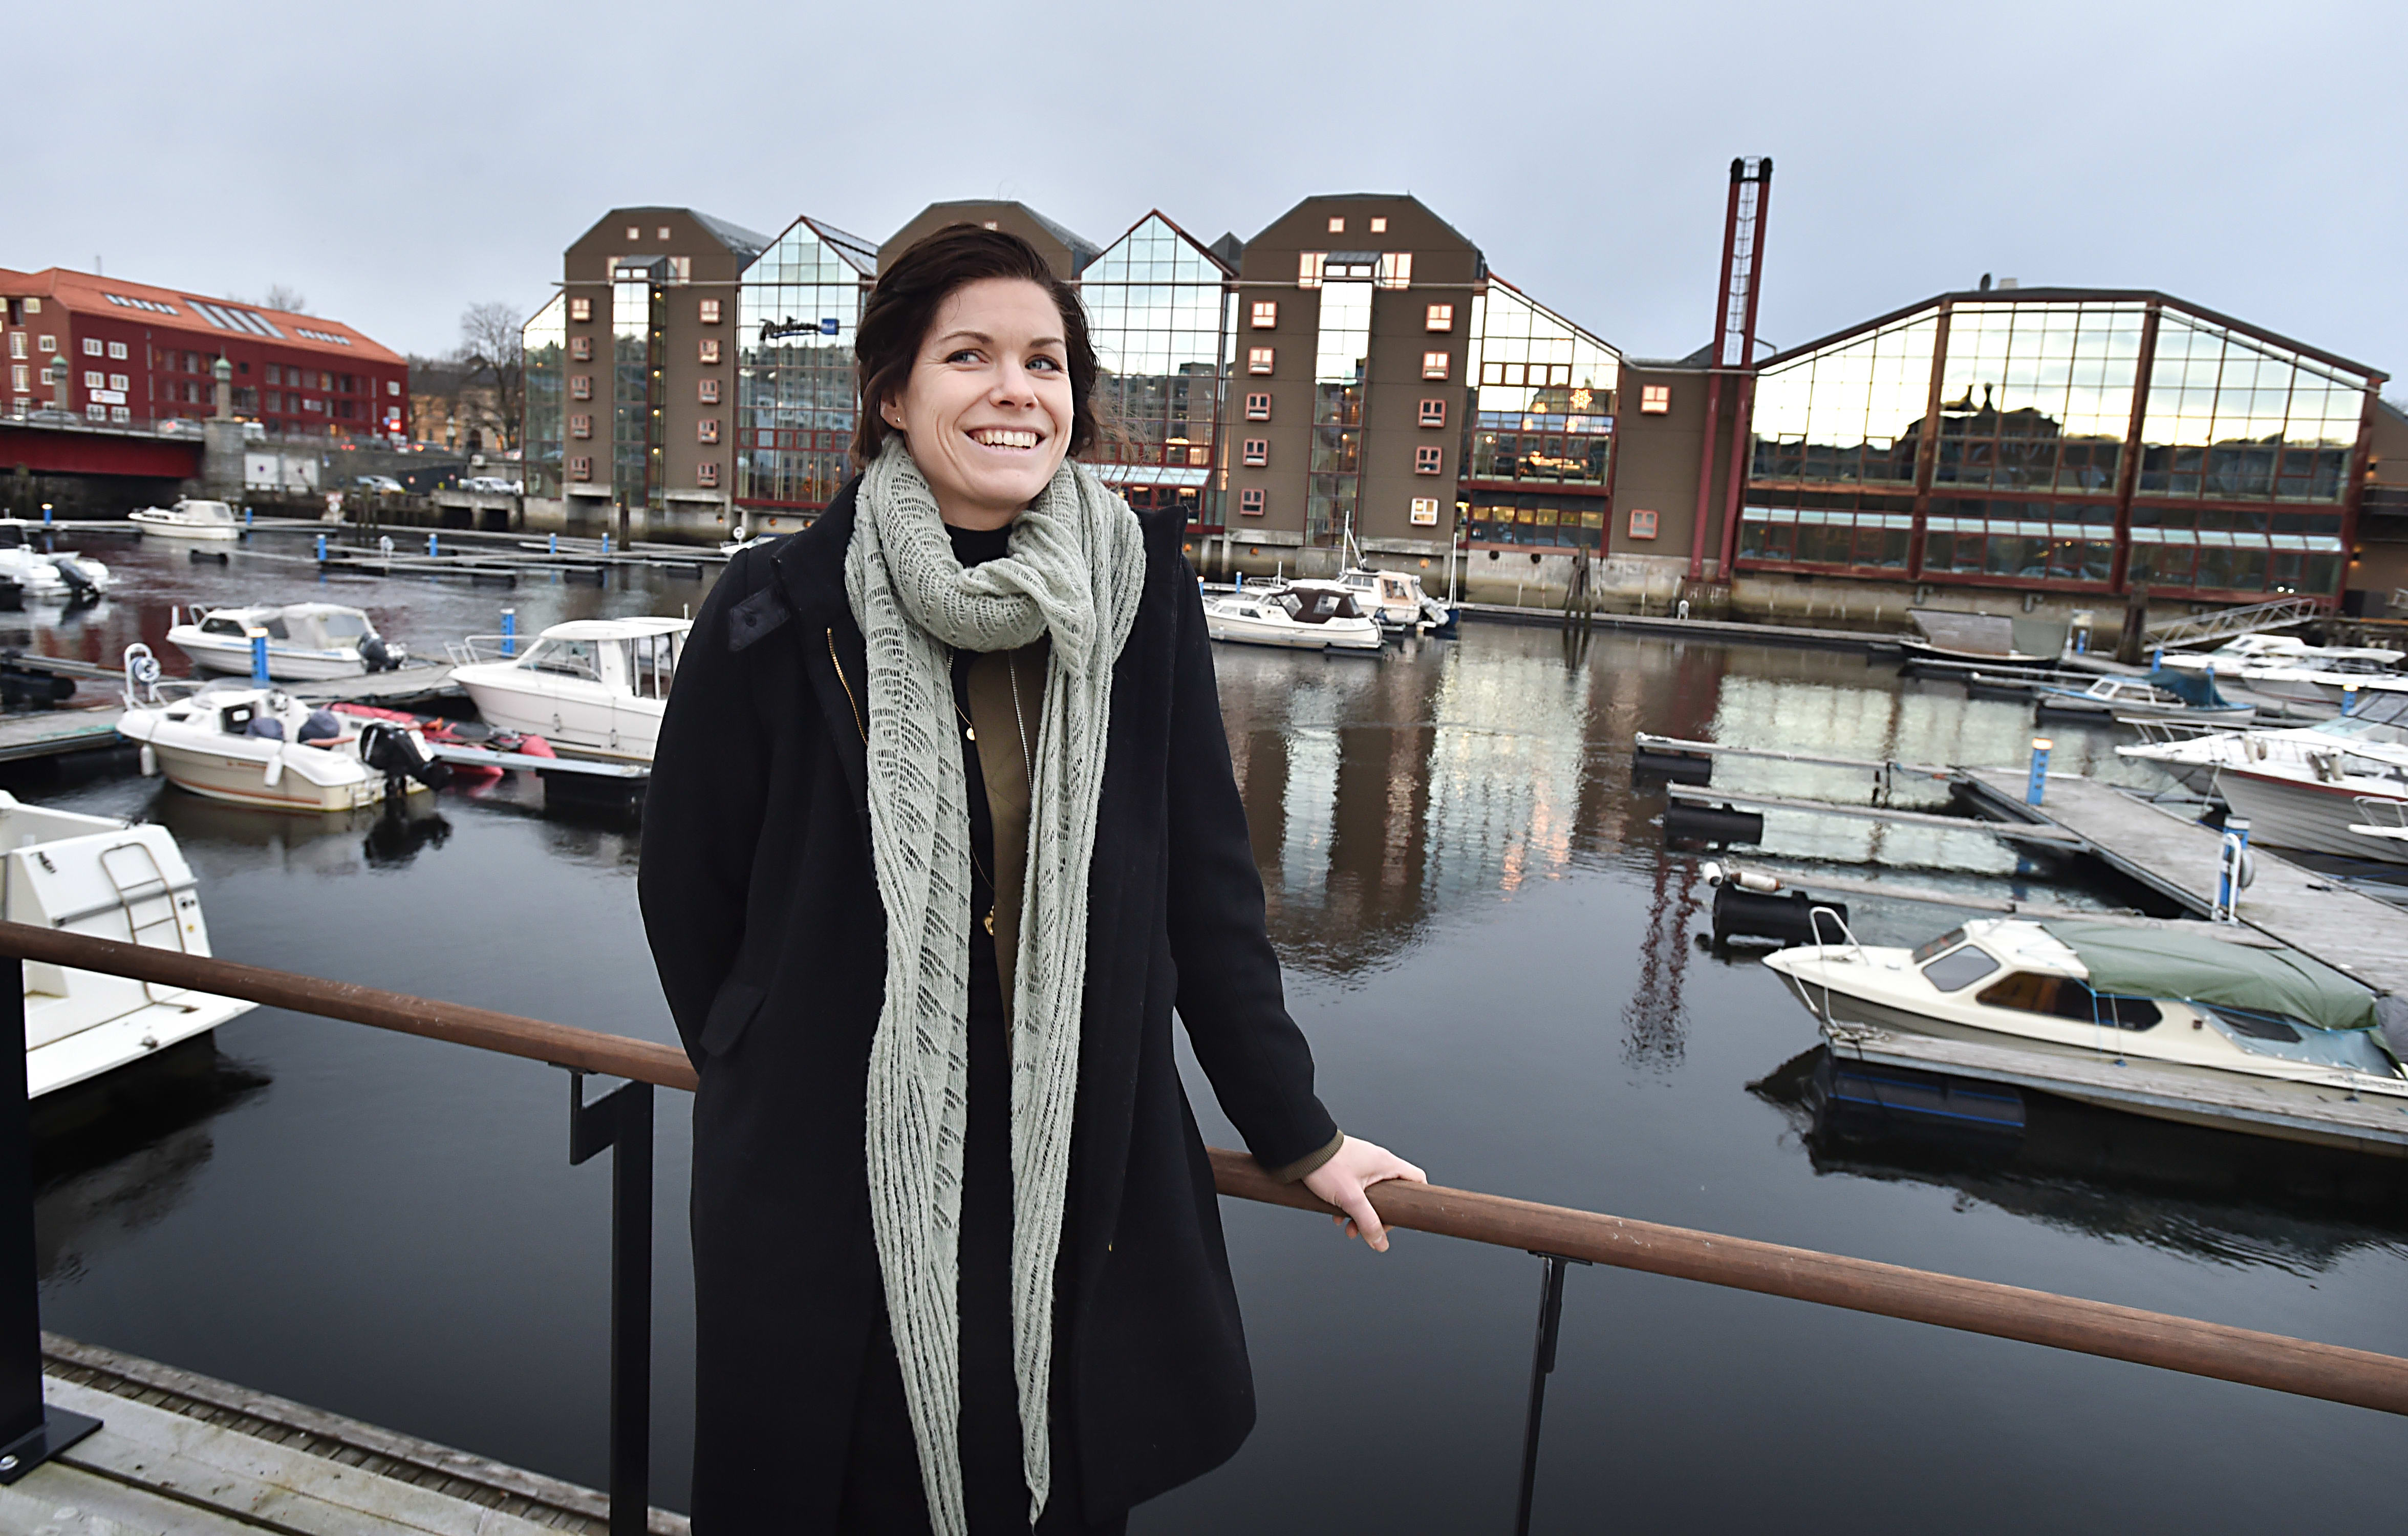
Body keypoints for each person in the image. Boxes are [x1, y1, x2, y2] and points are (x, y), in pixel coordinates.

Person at [639, 224, 1423, 1535]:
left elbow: (1205, 898)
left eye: (1045, 362)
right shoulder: (779, 603)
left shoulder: (1140, 598)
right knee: (838, 1485)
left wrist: (1300, 1132)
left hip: (1067, 1167)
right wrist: (764, 1059)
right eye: (971, 356)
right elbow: (688, 884)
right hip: (839, 1169)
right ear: (894, 393)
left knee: (1043, 1477)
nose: (1017, 390)